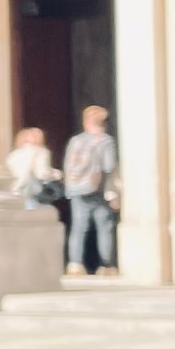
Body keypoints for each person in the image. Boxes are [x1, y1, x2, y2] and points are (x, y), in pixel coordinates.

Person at [63, 104, 120, 277]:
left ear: (87, 122)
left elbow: (68, 164)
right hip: (97, 189)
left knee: (79, 228)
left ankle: (75, 264)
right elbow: (109, 166)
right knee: (104, 226)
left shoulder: (76, 140)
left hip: (76, 188)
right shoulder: (105, 141)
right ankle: (106, 265)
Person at [6, 127, 60, 208]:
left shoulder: (13, 155)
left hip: (17, 187)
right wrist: (57, 174)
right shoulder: (41, 152)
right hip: (34, 189)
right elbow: (42, 173)